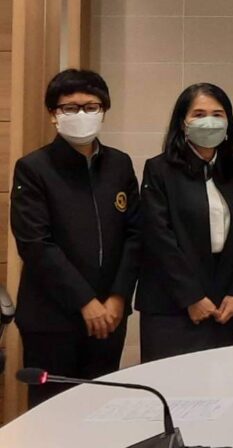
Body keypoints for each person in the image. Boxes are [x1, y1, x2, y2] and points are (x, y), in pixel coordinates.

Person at [11, 69, 140, 406]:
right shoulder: (34, 168)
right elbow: (35, 244)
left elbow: (134, 236)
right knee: (52, 412)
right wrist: (86, 301)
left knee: (100, 409)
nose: (82, 114)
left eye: (91, 106)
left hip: (110, 317)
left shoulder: (120, 165)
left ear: (103, 111)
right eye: (70, 107)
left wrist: (118, 297)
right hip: (51, 319)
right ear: (53, 114)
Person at [135, 83, 233, 362]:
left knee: (220, 382)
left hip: (222, 306)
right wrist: (192, 297)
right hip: (172, 304)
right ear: (183, 122)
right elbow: (159, 238)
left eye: (217, 114)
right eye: (199, 114)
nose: (208, 122)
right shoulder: (160, 169)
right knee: (170, 384)